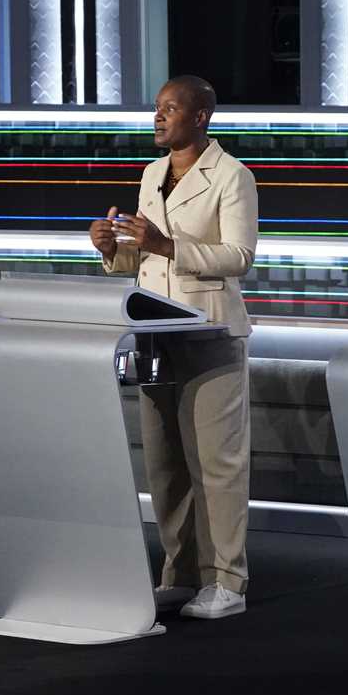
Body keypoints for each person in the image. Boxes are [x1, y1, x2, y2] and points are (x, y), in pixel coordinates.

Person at [88, 76, 258, 619]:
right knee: (165, 465)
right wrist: (112, 250)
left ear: (201, 115)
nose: (159, 117)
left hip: (210, 333)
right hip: (157, 335)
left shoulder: (232, 175)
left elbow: (239, 256)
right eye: (157, 108)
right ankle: (180, 572)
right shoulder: (151, 173)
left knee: (217, 465)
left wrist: (168, 244)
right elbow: (145, 261)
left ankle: (226, 581)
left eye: (170, 108)